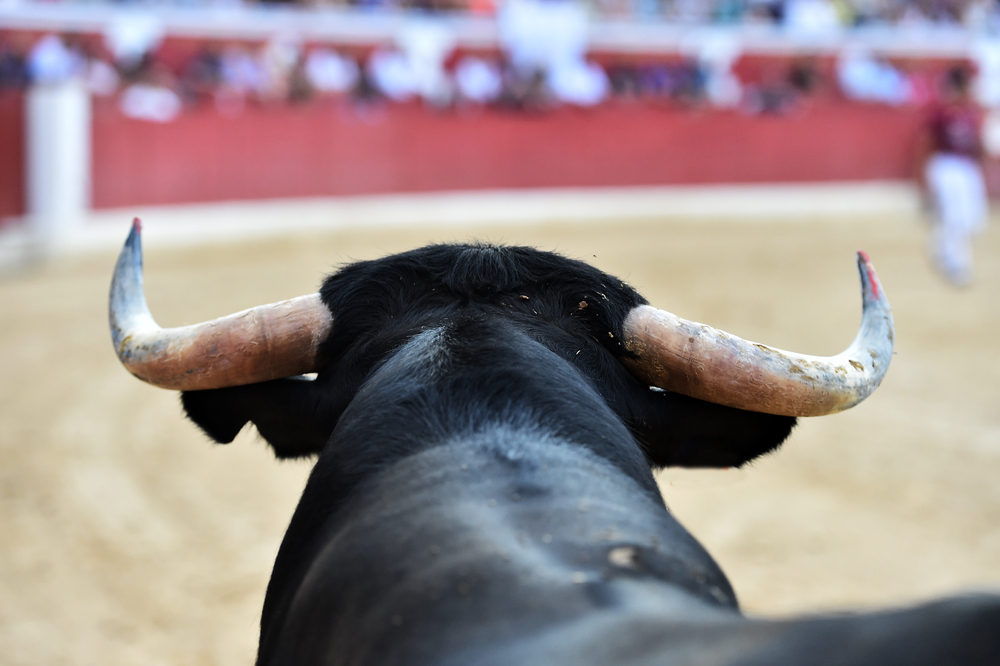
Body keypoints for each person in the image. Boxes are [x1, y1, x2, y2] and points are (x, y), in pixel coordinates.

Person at [916, 65, 989, 286]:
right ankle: (955, 263)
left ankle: (939, 247)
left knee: (973, 219)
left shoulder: (972, 112)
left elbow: (978, 144)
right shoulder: (941, 111)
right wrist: (923, 178)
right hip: (946, 165)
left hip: (967, 167)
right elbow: (925, 143)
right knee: (955, 216)